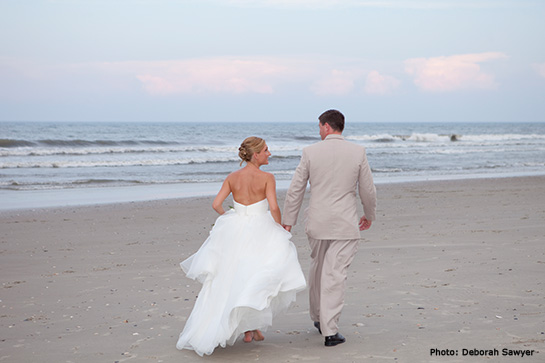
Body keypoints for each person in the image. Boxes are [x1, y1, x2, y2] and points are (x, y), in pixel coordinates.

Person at [176, 136, 306, 356]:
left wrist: (233, 217)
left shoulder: (232, 177)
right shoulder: (267, 177)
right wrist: (280, 228)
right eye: (266, 150)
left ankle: (249, 329)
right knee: (255, 274)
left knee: (231, 276)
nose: (269, 153)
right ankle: (250, 327)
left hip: (234, 229)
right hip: (260, 229)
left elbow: (216, 204)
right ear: (256, 154)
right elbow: (273, 206)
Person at [282, 109, 377, 347]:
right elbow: (368, 190)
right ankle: (330, 331)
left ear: (326, 126)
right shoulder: (357, 152)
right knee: (335, 274)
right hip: (345, 222)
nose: (319, 131)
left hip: (317, 222)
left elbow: (296, 189)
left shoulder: (310, 152)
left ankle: (318, 318)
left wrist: (288, 220)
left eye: (319, 126)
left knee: (318, 267)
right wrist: (369, 214)